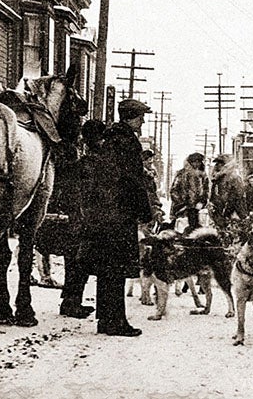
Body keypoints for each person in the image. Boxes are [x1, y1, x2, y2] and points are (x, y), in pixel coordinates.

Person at [78, 99, 152, 337]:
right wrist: (145, 211)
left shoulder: (108, 140)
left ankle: (106, 319)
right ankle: (116, 321)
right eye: (140, 116)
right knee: (117, 269)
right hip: (120, 213)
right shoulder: (127, 142)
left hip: (104, 213)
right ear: (131, 117)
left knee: (107, 269)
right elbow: (133, 180)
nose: (143, 121)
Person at [59, 120, 106, 319]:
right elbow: (83, 194)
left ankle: (71, 301)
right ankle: (71, 303)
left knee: (77, 262)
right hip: (83, 219)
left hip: (79, 217)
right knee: (78, 263)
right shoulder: (91, 164)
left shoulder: (84, 163)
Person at [170, 152, 209, 234]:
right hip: (182, 209)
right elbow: (174, 191)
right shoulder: (182, 174)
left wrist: (202, 202)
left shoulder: (203, 176)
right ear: (190, 162)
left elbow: (206, 191)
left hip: (198, 210)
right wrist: (182, 204)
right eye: (195, 161)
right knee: (181, 231)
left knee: (198, 232)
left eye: (199, 161)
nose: (197, 164)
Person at [208, 154, 247, 229]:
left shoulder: (234, 177)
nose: (218, 165)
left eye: (221, 163)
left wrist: (228, 207)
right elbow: (213, 194)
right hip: (219, 208)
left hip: (232, 209)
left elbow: (239, 195)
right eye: (217, 163)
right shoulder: (216, 178)